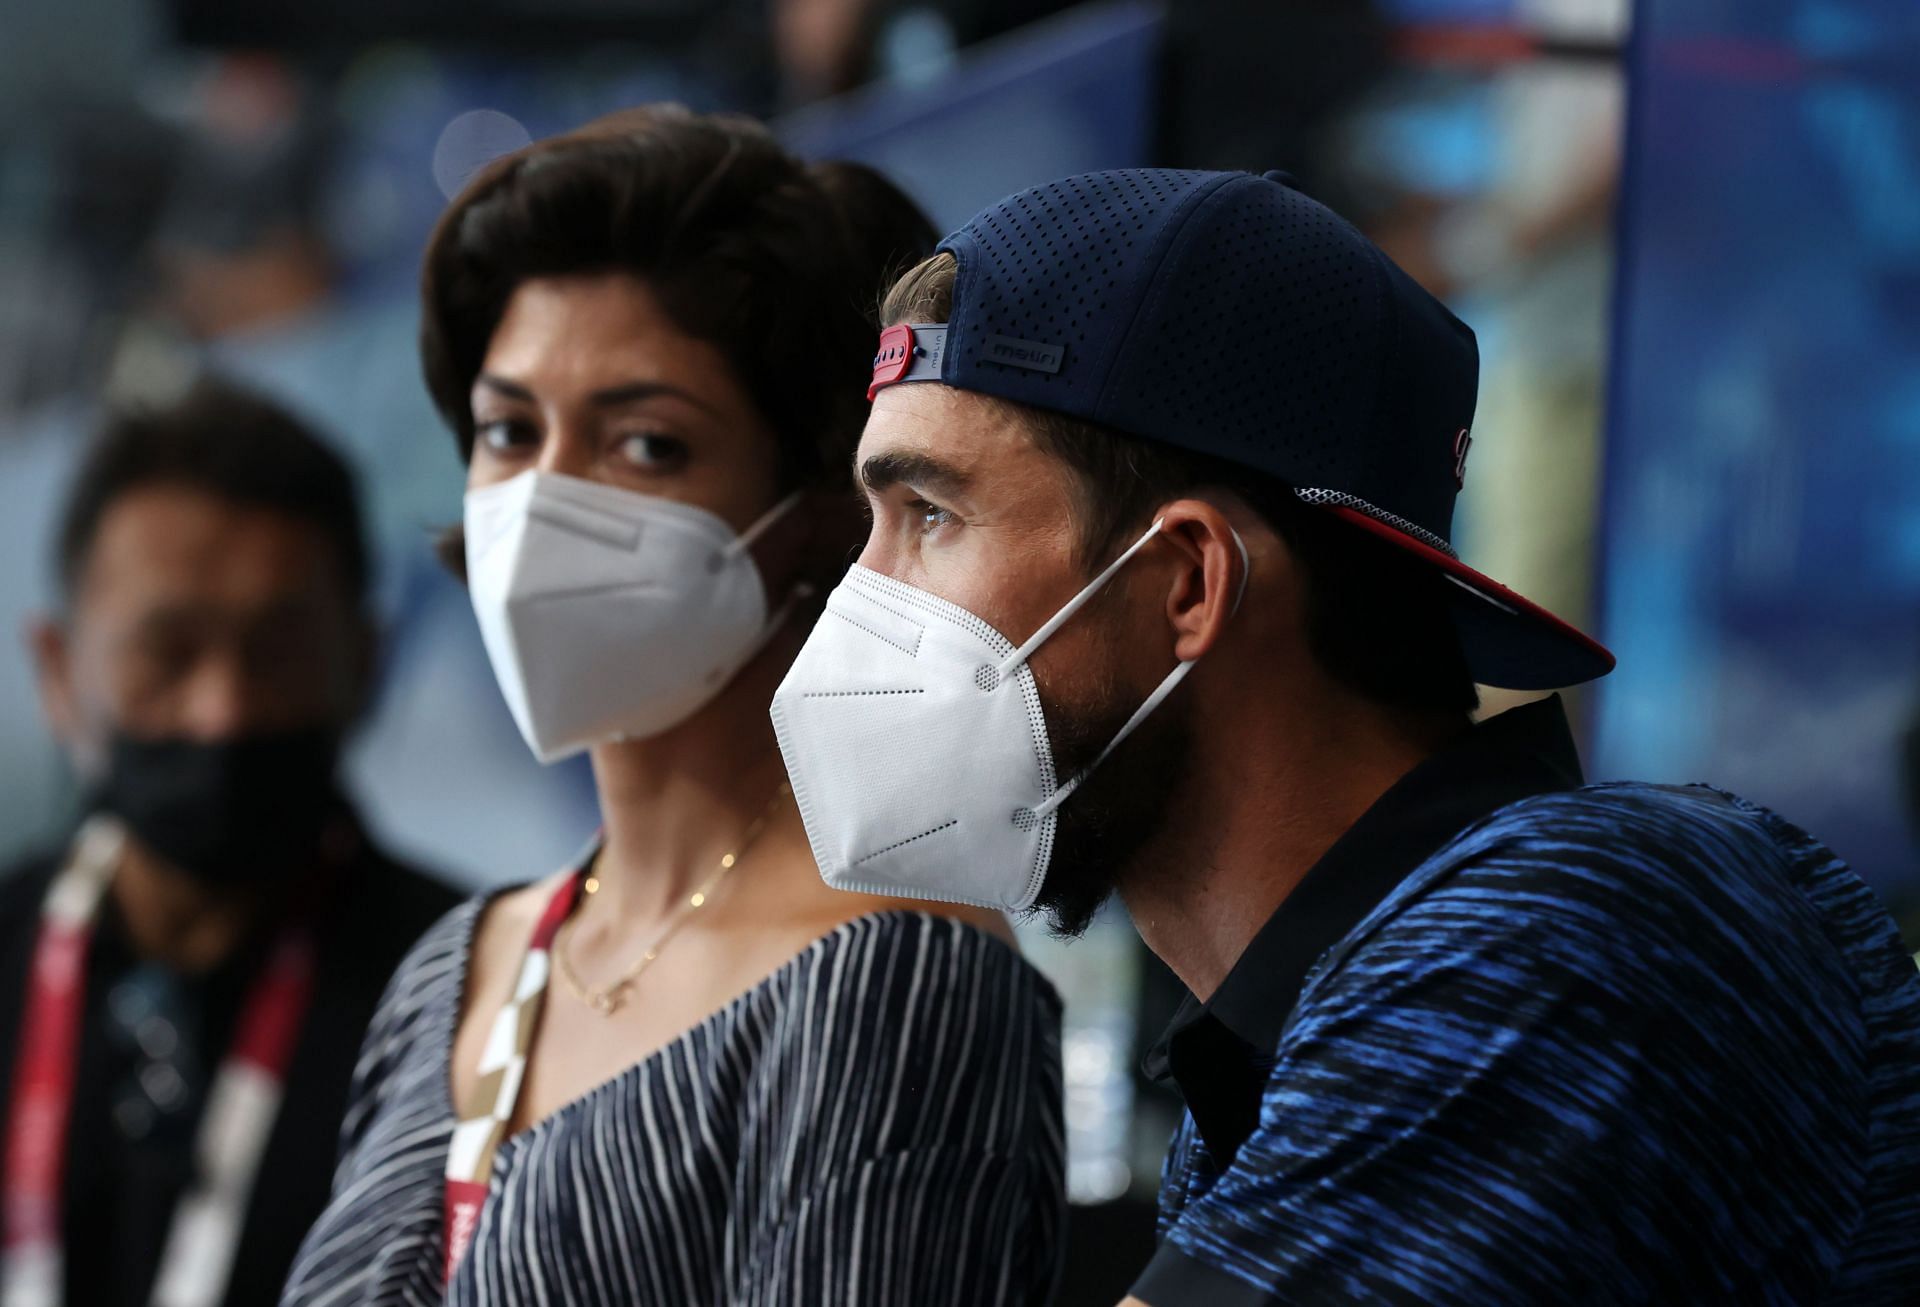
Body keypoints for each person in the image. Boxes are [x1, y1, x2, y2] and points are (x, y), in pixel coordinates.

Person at [769, 168, 1920, 1303]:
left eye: (930, 515)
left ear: (1187, 584)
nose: (857, 598)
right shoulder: (1289, 1046)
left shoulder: (1554, 936)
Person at [281, 107, 1065, 1306]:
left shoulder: (896, 984)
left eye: (646, 445)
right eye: (507, 430)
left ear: (817, 503)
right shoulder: (453, 966)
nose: (544, 501)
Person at [0, 378, 458, 1307]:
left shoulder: (464, 1001)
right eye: (167, 652)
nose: (225, 709)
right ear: (57, 668)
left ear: (364, 661)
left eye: (278, 649)